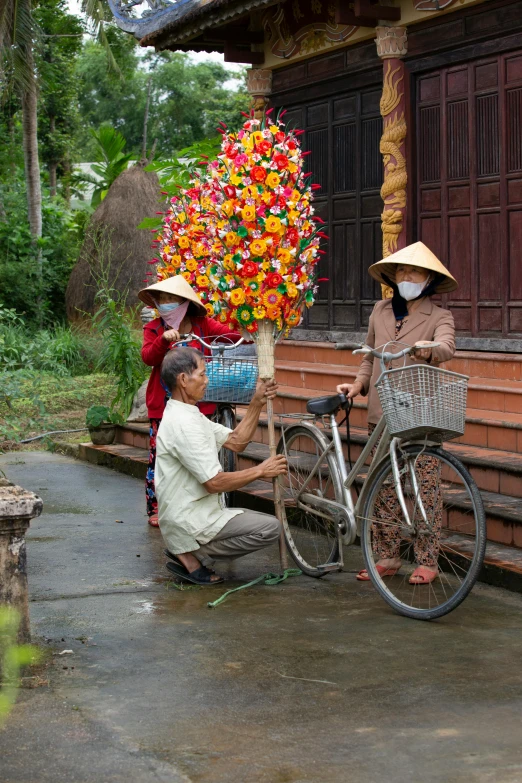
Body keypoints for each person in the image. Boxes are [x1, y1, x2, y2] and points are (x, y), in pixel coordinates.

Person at [336, 241, 457, 585]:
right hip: (381, 413)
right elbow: (369, 356)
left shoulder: (440, 316)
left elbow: (447, 346)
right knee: (384, 487)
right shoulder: (380, 310)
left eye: (414, 271)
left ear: (429, 279)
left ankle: (427, 560)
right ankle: (387, 556)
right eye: (402, 270)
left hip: (420, 416)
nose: (406, 276)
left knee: (425, 490)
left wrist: (428, 350)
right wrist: (359, 385)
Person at [155, 347, 287, 585]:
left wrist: (256, 402)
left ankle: (190, 549)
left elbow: (236, 442)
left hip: (200, 513)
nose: (207, 380)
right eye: (203, 374)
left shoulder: (188, 413)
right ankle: (191, 553)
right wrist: (260, 471)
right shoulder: (183, 423)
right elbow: (214, 483)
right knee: (269, 529)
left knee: (263, 523)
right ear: (184, 380)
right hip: (190, 519)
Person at [138, 276, 240, 527]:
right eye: (161, 300)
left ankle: (200, 504)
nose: (165, 305)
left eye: (170, 299)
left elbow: (231, 336)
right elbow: (148, 358)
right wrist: (163, 341)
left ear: (184, 303)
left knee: (200, 452)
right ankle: (157, 507)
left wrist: (249, 330)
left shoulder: (202, 324)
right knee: (159, 456)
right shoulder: (153, 328)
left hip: (198, 402)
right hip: (163, 402)